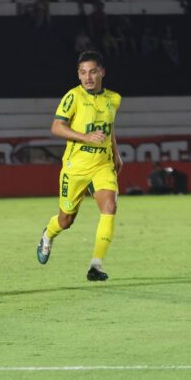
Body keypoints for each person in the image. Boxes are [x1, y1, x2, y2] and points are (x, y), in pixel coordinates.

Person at [35, 51, 122, 282]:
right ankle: (48, 235)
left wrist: (116, 154)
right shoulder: (73, 97)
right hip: (75, 168)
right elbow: (56, 127)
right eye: (83, 73)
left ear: (102, 72)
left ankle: (96, 265)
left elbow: (109, 129)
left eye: (93, 71)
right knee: (66, 220)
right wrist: (84, 137)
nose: (88, 77)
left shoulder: (114, 99)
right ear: (78, 75)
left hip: (102, 165)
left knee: (110, 207)